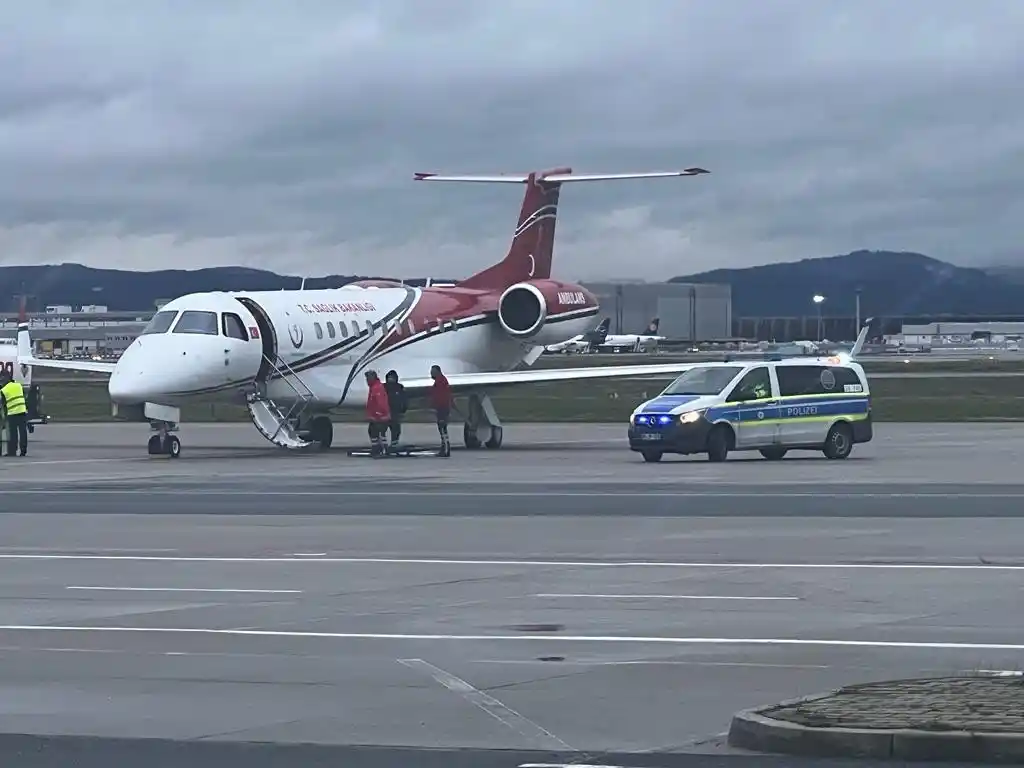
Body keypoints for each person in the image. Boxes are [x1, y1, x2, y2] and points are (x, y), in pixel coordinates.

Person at [0, 370, 28, 457]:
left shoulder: (3, 390)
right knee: (23, 432)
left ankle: (12, 452)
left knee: (13, 434)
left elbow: (3, 405)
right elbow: (24, 396)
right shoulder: (18, 385)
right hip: (22, 411)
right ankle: (23, 451)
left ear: (5, 377)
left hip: (12, 413)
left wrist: (4, 417)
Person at [364, 370, 391, 457]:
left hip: (379, 416)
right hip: (375, 416)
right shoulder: (373, 387)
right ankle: (377, 448)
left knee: (378, 432)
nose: (367, 380)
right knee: (373, 432)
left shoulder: (377, 388)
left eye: (368, 378)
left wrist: (378, 415)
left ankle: (381, 449)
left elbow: (381, 403)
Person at [429, 364, 452, 457]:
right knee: (442, 429)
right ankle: (444, 447)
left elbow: (442, 397)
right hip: (442, 408)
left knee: (443, 429)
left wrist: (439, 407)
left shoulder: (440, 382)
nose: (430, 374)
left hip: (442, 409)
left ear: (437, 372)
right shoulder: (441, 381)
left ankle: (446, 449)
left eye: (432, 372)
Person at [383, 370, 407, 451]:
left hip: (395, 412)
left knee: (396, 429)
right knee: (382, 429)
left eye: (392, 378)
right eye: (389, 378)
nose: (391, 379)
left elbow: (404, 399)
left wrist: (403, 409)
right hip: (385, 412)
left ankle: (394, 445)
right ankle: (383, 445)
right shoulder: (384, 387)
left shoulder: (399, 387)